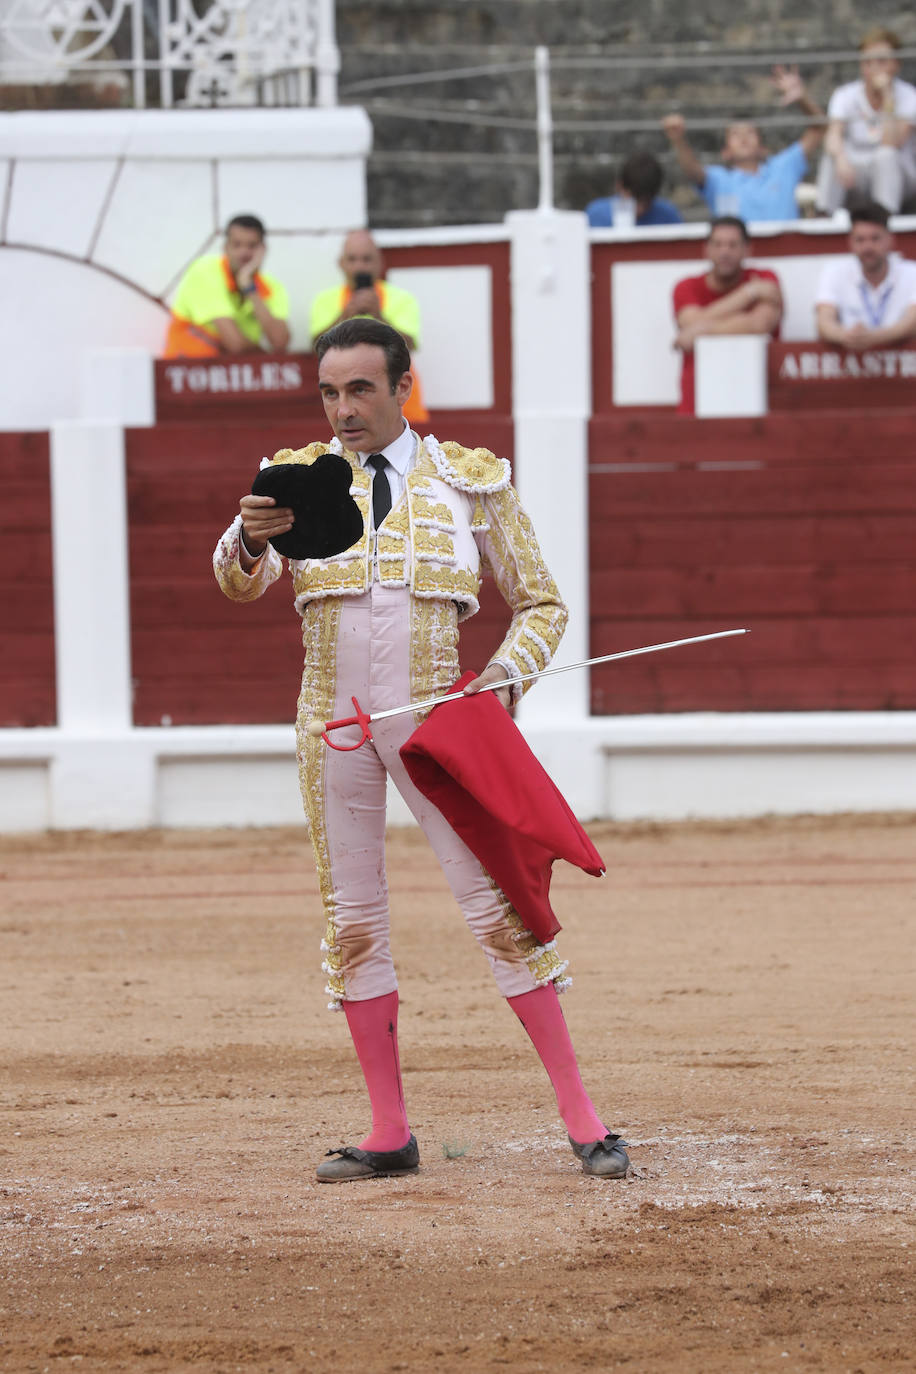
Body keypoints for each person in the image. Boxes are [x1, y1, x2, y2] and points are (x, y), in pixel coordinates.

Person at [212, 318, 630, 1183]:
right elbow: (237, 581)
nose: (342, 409)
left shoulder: (467, 482)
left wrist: (498, 688)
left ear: (402, 386)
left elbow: (543, 606)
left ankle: (584, 1122)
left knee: (496, 909)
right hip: (332, 726)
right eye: (329, 392)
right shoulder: (291, 479)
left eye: (359, 389)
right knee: (354, 921)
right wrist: (252, 538)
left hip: (436, 725)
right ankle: (387, 1132)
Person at [662, 66, 824, 222]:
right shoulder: (719, 179)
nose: (743, 138)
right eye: (735, 134)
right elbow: (692, 172)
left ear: (763, 148)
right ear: (725, 152)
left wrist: (802, 99)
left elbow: (819, 128)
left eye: (750, 132)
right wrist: (678, 139)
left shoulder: (783, 167)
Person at [310, 229, 428, 422]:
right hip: (346, 399)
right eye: (352, 259)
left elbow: (410, 345)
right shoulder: (325, 300)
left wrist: (377, 314)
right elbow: (316, 347)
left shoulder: (402, 299)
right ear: (341, 263)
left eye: (366, 259)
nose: (360, 267)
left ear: (380, 262)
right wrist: (347, 314)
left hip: (399, 397)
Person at [672, 216, 783, 415]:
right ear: (706, 249)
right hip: (696, 405)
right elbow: (691, 323)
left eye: (733, 245)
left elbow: (759, 325)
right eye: (718, 244)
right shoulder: (686, 287)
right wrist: (748, 293)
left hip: (757, 405)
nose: (725, 252)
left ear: (748, 249)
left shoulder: (766, 279)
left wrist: (702, 330)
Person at [816, 27, 916, 215]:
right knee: (831, 157)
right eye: (867, 62)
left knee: (886, 156)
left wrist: (887, 96)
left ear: (896, 64)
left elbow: (891, 142)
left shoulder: (909, 96)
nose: (874, 68)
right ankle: (824, 219)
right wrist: (840, 158)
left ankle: (883, 220)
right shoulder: (845, 95)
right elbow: (832, 136)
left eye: (882, 61)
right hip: (856, 174)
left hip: (900, 177)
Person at [163, 214, 291, 358]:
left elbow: (280, 342)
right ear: (225, 248)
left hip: (234, 374)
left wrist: (249, 287)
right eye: (237, 245)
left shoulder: (272, 286)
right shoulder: (205, 270)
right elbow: (235, 344)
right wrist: (264, 355)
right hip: (187, 371)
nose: (244, 252)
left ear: (263, 249)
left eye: (252, 245)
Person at [816, 199, 916, 348]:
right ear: (850, 242)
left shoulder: (912, 273)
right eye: (860, 240)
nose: (867, 247)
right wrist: (846, 336)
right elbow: (823, 322)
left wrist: (872, 337)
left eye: (875, 239)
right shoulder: (834, 272)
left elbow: (912, 321)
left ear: (890, 240)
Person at [585, 150, 683, 228]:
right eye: (633, 199)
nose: (639, 210)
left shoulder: (668, 216)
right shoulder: (596, 216)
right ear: (619, 186)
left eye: (646, 203)